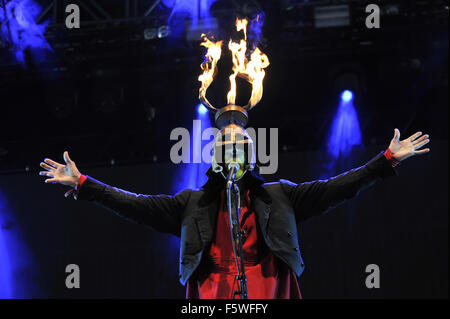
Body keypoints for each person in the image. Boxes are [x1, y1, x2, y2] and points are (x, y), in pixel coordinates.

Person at [39, 128, 430, 299]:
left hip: (267, 291)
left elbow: (338, 187)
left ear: (252, 154)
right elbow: (135, 204)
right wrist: (84, 184)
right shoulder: (192, 203)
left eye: (240, 143)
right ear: (215, 156)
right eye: (225, 144)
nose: (233, 150)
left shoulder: (281, 195)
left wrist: (384, 161)